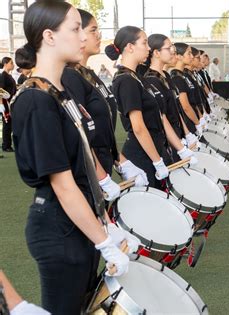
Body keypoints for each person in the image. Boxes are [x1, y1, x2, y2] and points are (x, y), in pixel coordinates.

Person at [11, 2, 131, 313]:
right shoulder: (36, 99)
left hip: (80, 222)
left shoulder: (60, 92)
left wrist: (105, 224)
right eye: (75, 29)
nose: (83, 37)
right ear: (49, 36)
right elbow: (64, 185)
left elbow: (85, 170)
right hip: (58, 229)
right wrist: (103, 241)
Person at [62, 9, 149, 191]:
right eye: (93, 30)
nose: (98, 35)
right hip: (87, 172)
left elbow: (104, 129)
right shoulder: (69, 77)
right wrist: (101, 177)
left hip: (102, 163)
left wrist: (120, 161)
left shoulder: (89, 75)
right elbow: (80, 136)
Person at [106, 26, 171, 189]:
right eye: (144, 43)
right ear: (130, 47)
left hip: (152, 148)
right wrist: (157, 161)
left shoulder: (136, 77)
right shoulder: (126, 80)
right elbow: (139, 127)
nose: (148, 48)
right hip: (142, 153)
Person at [143, 34, 198, 163]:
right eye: (169, 48)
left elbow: (177, 110)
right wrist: (179, 146)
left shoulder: (165, 75)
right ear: (156, 53)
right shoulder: (151, 80)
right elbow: (162, 117)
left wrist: (186, 134)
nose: (173, 52)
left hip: (177, 134)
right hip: (168, 139)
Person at [0, 57, 16, 153]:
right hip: (6, 103)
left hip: (11, 102)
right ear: (5, 64)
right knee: (7, 123)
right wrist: (1, 103)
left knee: (9, 124)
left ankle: (7, 144)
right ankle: (6, 146)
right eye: (11, 63)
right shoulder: (3, 76)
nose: (13, 64)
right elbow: (0, 90)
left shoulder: (9, 76)